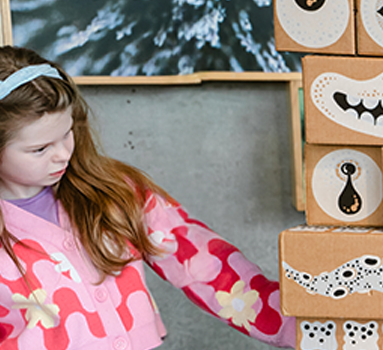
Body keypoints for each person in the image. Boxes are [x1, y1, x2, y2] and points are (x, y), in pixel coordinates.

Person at [0, 46, 295, 349]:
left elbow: (206, 265)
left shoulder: (117, 193)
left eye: (67, 133)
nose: (63, 154)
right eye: (40, 149)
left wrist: (299, 327)